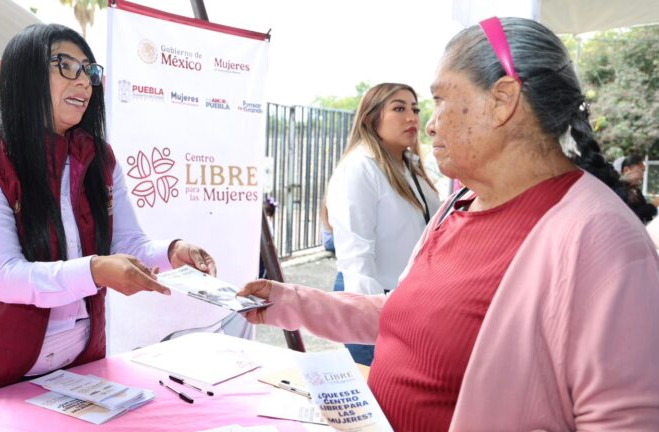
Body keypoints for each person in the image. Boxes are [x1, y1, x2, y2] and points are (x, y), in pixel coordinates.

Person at [240, 17, 659, 430]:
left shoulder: (601, 236)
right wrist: (290, 302)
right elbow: (404, 315)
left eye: (439, 99)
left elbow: (624, 419)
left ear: (503, 100)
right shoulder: (458, 205)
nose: (430, 123)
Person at [0, 24, 216, 406]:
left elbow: (128, 243)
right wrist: (95, 271)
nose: (84, 82)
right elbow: (3, 275)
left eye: (90, 71)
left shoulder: (98, 158)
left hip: (78, 368)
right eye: (66, 66)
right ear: (24, 74)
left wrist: (173, 251)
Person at [323, 83, 440, 365]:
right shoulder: (361, 167)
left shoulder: (410, 167)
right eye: (399, 108)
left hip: (408, 300)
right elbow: (356, 254)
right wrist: (371, 318)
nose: (412, 117)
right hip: (372, 296)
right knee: (382, 396)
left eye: (415, 108)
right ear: (370, 118)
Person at [614, 155, 657, 223]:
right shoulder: (618, 190)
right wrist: (653, 205)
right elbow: (631, 215)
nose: (642, 175)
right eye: (641, 170)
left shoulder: (636, 191)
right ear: (626, 170)